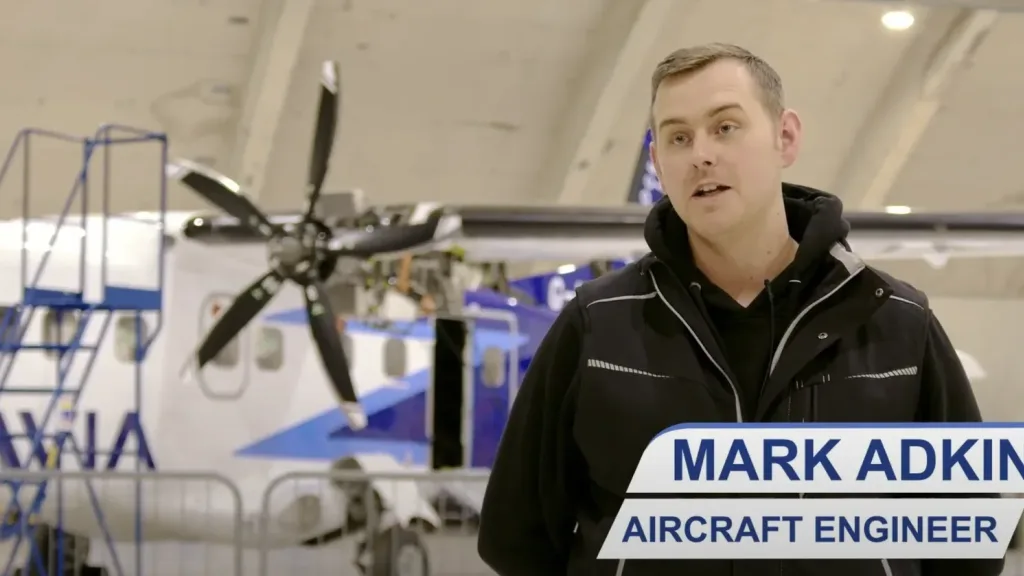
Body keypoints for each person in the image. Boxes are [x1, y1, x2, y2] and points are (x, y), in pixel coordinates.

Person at [476, 43, 1004, 576]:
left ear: (785, 137)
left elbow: (969, 546)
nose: (701, 154)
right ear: (658, 163)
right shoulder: (597, 324)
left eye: (725, 127)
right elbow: (516, 537)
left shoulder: (897, 321)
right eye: (678, 137)